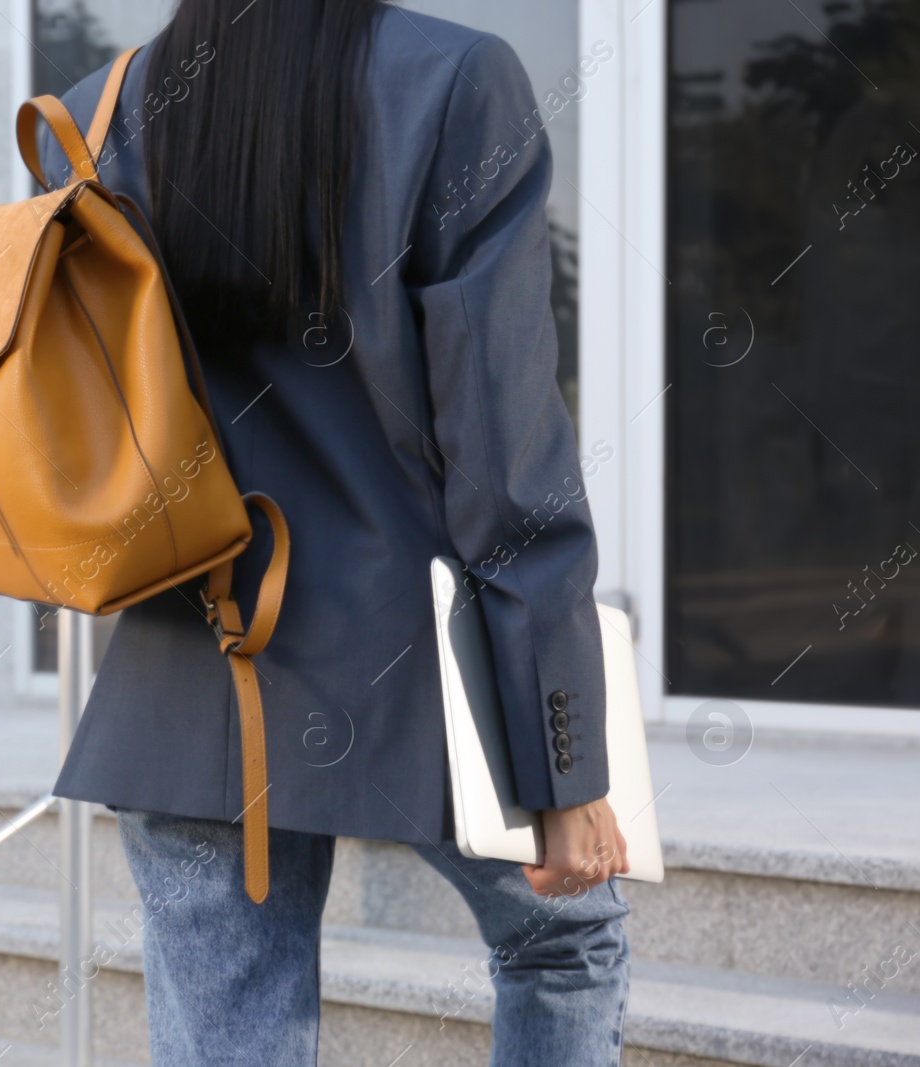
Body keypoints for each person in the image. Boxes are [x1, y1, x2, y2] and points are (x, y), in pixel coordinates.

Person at [39, 2, 632, 1064]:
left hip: (187, 681)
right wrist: (567, 753)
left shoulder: (97, 113)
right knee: (565, 944)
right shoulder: (455, 81)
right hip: (413, 666)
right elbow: (504, 457)